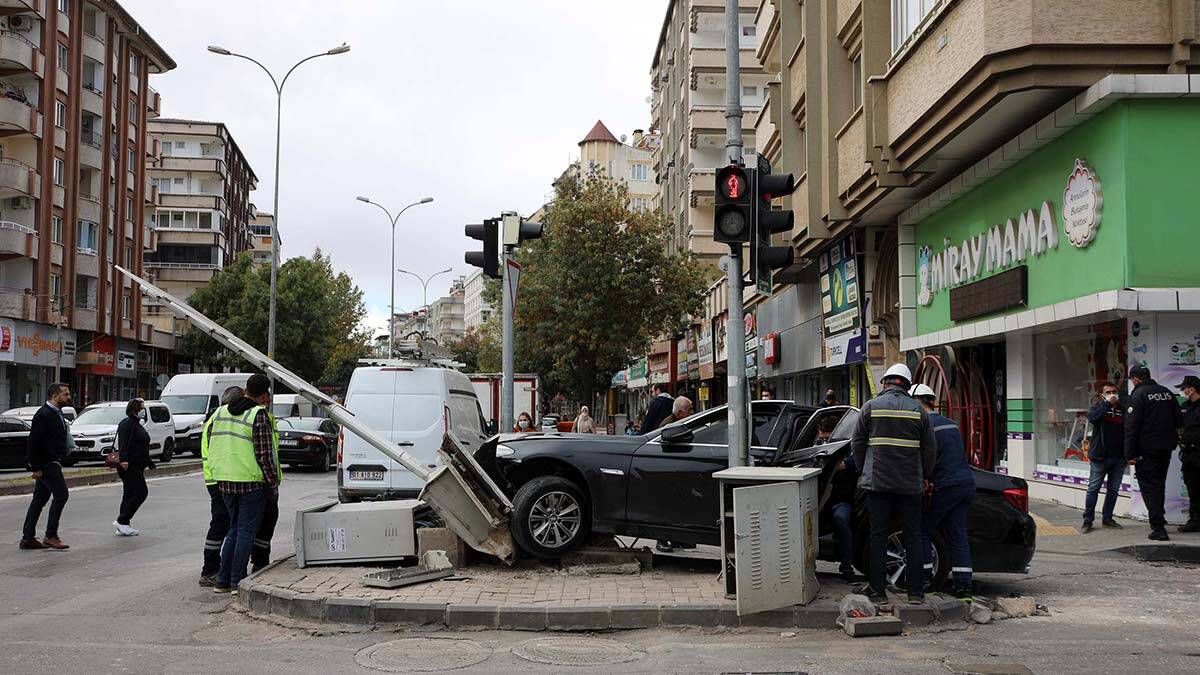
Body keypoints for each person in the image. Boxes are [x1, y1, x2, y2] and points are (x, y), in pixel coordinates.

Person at [850, 363, 936, 605]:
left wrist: (862, 470)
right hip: (910, 487)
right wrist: (927, 476)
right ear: (908, 386)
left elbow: (856, 445)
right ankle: (916, 593)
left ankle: (878, 593)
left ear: (886, 382)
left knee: (878, 537)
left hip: (877, 485)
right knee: (913, 537)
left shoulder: (870, 407)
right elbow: (930, 450)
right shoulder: (919, 412)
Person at [209, 374, 281, 594]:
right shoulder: (258, 415)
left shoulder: (220, 412)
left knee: (234, 529)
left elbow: (214, 441)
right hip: (251, 483)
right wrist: (272, 482)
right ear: (264, 394)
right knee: (246, 532)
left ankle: (222, 579)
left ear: (245, 388)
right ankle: (237, 580)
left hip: (225, 480)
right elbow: (264, 454)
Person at [910, 384, 976, 599]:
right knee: (958, 535)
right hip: (965, 484)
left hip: (945, 485)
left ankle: (925, 578)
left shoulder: (923, 424)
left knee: (922, 530)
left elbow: (924, 459)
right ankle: (964, 587)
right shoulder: (951, 424)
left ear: (917, 401)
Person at [1124, 365, 1182, 541]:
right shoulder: (1166, 392)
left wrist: (1128, 453)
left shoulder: (1138, 395)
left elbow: (1131, 427)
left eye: (1132, 379)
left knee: (1150, 487)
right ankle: (1160, 519)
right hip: (1165, 448)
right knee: (1159, 485)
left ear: (1136, 379)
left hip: (1146, 450)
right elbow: (1179, 420)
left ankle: (1158, 527)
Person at [20, 383, 74, 551]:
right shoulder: (44, 414)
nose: (69, 397)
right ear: (55, 396)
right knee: (61, 495)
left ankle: (28, 537)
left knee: (39, 500)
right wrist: (35, 467)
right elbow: (34, 442)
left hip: (53, 461)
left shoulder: (56, 413)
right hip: (47, 463)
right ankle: (51, 535)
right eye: (65, 394)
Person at [1081, 382, 1126, 533]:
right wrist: (1106, 404)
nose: (1112, 394)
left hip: (1119, 458)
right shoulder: (1097, 407)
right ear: (1102, 395)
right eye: (1108, 392)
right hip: (1100, 457)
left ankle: (1107, 518)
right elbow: (1093, 418)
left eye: (1114, 391)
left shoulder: (1123, 409)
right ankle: (1088, 520)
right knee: (1093, 489)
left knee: (1113, 490)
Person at [113, 399, 155, 537]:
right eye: (142, 408)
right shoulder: (127, 424)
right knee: (141, 493)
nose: (144, 410)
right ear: (135, 409)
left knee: (129, 494)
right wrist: (124, 460)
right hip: (129, 465)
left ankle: (123, 525)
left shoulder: (137, 424)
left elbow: (140, 445)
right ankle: (122, 520)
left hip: (137, 464)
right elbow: (123, 443)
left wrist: (149, 461)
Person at [826, 414, 858, 582]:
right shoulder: (818, 446)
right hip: (818, 501)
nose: (824, 441)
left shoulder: (850, 449)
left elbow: (845, 464)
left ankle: (846, 567)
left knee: (841, 520)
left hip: (841, 500)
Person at [1176, 375, 1200, 533]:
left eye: (1184, 388)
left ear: (1192, 389)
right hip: (1188, 453)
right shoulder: (1185, 406)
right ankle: (1195, 520)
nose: (1182, 391)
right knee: (1192, 488)